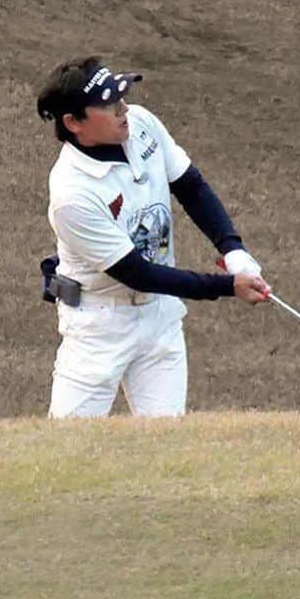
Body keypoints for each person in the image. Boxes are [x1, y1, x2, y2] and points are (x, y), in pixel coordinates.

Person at [37, 56, 270, 418]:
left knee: (165, 442)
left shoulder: (141, 124)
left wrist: (233, 249)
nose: (123, 108)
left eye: (122, 97)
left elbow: (190, 185)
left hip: (159, 318)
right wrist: (227, 286)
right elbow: (137, 273)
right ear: (74, 122)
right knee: (65, 448)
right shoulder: (72, 194)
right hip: (99, 328)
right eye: (108, 104)